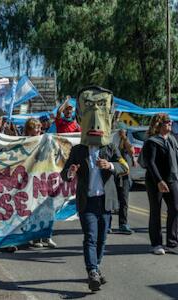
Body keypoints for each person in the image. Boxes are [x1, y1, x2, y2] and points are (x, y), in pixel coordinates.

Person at [61, 86, 129, 292]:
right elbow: (64, 174)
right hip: (87, 201)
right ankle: (92, 271)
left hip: (105, 201)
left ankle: (96, 268)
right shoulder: (78, 150)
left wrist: (111, 166)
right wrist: (71, 172)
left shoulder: (110, 148)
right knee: (90, 237)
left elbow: (125, 167)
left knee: (102, 239)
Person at [143, 113, 178, 255]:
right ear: (159, 124)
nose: (170, 124)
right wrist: (159, 181)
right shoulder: (151, 142)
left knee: (175, 208)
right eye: (167, 122)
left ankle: (172, 242)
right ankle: (156, 244)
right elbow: (150, 163)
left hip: (171, 179)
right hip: (155, 181)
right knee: (156, 211)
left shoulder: (172, 140)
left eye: (170, 122)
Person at [24, 118, 57, 248]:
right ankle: (35, 237)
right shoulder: (24, 143)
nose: (37, 131)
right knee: (32, 209)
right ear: (28, 130)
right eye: (34, 128)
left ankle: (47, 235)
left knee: (48, 208)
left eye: (38, 128)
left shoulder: (45, 140)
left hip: (45, 177)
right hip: (30, 180)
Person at [113, 129, 135, 234]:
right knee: (109, 199)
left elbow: (132, 151)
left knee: (124, 199)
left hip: (124, 174)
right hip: (111, 172)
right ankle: (106, 225)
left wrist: (124, 137)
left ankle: (123, 224)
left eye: (123, 132)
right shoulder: (110, 140)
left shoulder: (125, 141)